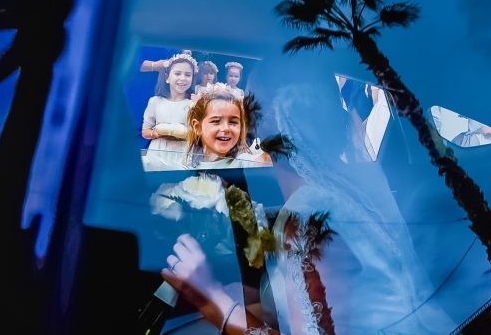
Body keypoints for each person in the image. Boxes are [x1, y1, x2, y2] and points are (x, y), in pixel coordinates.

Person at [160, 51, 454, 334]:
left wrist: (213, 301)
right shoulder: (351, 192)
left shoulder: (306, 222)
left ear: (260, 134)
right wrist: (262, 292)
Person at [184, 83, 271, 169]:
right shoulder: (186, 167)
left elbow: (268, 160)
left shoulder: (242, 163)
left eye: (233, 122)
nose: (226, 128)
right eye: (216, 121)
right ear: (197, 127)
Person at [142, 52, 198, 163]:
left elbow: (200, 133)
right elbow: (145, 131)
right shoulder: (155, 101)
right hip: (158, 151)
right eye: (177, 73)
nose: (183, 78)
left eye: (188, 75)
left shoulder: (194, 104)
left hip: (182, 153)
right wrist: (156, 134)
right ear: (167, 78)